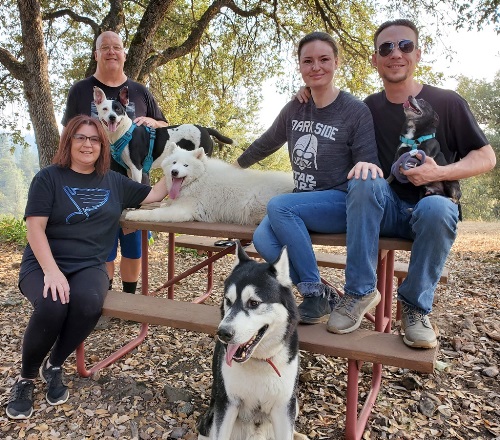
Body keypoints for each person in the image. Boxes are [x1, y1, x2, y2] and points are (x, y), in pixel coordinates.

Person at [297, 19, 496, 346]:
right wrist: (309, 92)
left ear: (418, 53)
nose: (395, 54)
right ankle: (359, 292)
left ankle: (415, 308)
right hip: (384, 210)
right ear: (374, 59)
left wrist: (439, 173)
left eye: (404, 46)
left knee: (436, 207)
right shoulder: (366, 108)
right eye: (386, 48)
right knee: (364, 179)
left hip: (431, 212)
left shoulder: (447, 102)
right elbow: (327, 119)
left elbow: (486, 157)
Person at [5, 115, 169, 420]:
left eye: (94, 139)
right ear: (69, 141)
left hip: (89, 264)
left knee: (89, 302)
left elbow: (156, 194)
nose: (88, 144)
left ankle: (53, 364)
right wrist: (52, 272)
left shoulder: (115, 181)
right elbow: (35, 229)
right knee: (53, 305)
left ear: (103, 146)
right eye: (80, 137)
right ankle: (25, 378)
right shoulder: (49, 177)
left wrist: (177, 154)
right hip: (44, 262)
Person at [235, 31, 380, 324]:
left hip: (341, 202)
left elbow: (368, 163)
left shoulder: (355, 111)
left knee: (278, 205)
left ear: (336, 62)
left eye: (324, 59)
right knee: (262, 238)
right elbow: (267, 141)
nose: (316, 67)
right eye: (308, 61)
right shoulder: (296, 107)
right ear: (300, 66)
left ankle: (312, 294)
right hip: (303, 202)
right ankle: (323, 296)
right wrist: (234, 167)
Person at [62, 30, 169, 295]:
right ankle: (106, 300)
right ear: (96, 54)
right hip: (94, 187)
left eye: (116, 47)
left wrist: (155, 122)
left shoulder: (139, 91)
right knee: (102, 251)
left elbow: (165, 125)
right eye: (105, 47)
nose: (111, 51)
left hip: (137, 189)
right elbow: (67, 135)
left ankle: (129, 300)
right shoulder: (80, 90)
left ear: (123, 54)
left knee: (134, 249)